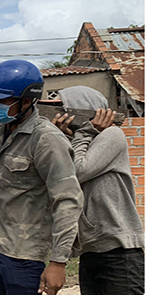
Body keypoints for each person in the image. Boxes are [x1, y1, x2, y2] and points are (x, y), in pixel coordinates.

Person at [0, 60, 83, 295]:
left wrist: (58, 262)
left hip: (25, 255)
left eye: (0, 100)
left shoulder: (46, 140)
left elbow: (68, 200)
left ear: (26, 100)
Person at [43, 86, 144, 295]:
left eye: (63, 107)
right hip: (90, 250)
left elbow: (77, 171)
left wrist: (85, 131)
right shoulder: (81, 140)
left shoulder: (112, 135)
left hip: (119, 251)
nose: (59, 114)